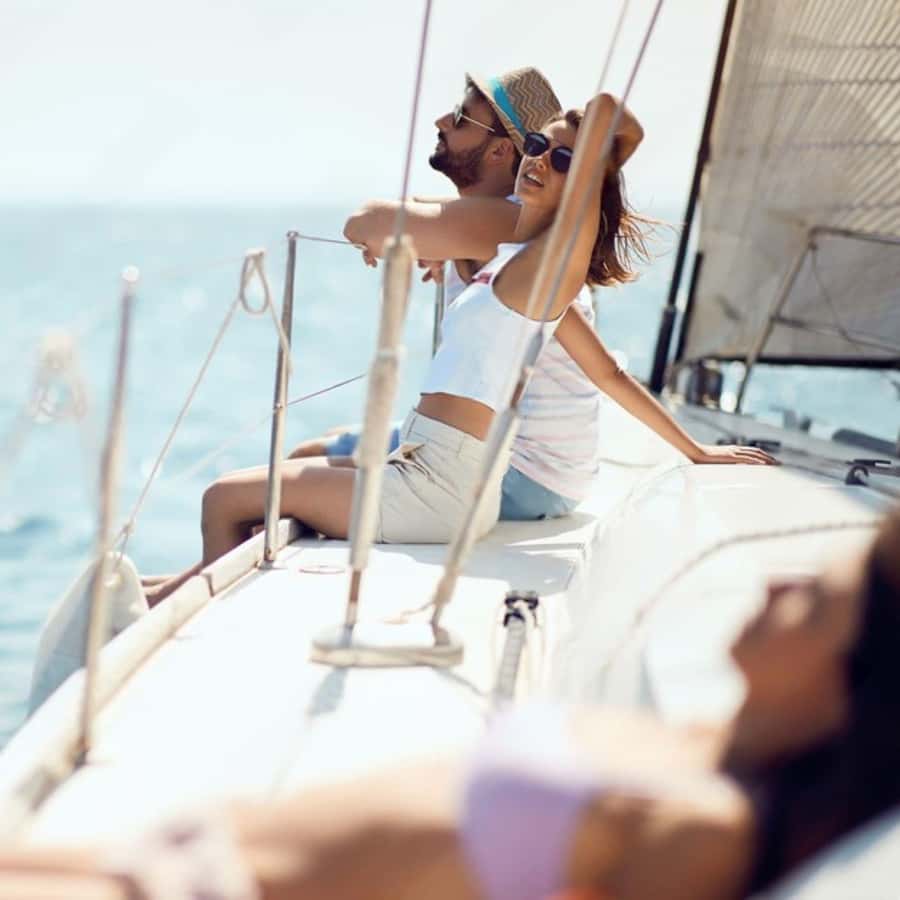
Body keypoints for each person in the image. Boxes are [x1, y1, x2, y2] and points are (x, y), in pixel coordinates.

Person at [4, 507, 900, 899]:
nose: (776, 583)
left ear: (846, 687)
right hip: (188, 851)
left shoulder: (705, 829)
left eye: (814, 601)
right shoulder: (698, 744)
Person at [143, 91, 774, 607]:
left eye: (562, 160)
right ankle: (183, 591)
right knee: (267, 492)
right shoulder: (515, 264)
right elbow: (606, 372)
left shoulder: (551, 268)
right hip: (428, 469)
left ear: (583, 185)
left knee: (223, 497)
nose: (538, 160)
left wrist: (592, 140)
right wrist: (694, 449)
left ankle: (180, 618)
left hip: (436, 490)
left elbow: (613, 112)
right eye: (536, 145)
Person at [294, 67, 610, 523]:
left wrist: (433, 232)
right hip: (521, 460)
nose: (442, 121)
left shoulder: (505, 224)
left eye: (462, 118)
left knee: (293, 479)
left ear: (500, 150)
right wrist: (440, 236)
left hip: (521, 472)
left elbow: (363, 224)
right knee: (311, 452)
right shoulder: (499, 223)